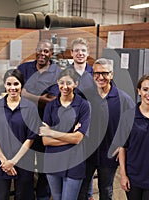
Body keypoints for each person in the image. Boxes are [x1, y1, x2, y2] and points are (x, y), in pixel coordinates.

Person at [78, 58, 135, 200]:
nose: (100, 77)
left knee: (106, 189)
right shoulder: (85, 95)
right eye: (97, 73)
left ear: (112, 74)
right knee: (82, 189)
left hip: (109, 155)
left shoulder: (124, 99)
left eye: (105, 73)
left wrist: (122, 146)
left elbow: (133, 126)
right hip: (87, 153)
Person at [17, 39, 61, 200]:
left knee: (44, 166)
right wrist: (40, 97)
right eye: (40, 50)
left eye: (46, 51)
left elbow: (52, 100)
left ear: (51, 54)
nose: (42, 54)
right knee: (25, 167)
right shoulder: (23, 68)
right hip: (24, 124)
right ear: (35, 50)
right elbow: (15, 91)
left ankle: (42, 196)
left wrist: (27, 94)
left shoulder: (57, 72)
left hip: (45, 126)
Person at [39, 67, 91, 200]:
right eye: (62, 83)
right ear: (57, 83)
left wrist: (51, 132)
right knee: (56, 198)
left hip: (74, 161)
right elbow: (45, 141)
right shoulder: (50, 106)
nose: (65, 87)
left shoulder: (84, 105)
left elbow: (78, 139)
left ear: (76, 84)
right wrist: (70, 137)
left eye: (69, 83)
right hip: (53, 160)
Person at [0, 69, 39, 200]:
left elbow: (30, 138)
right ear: (4, 85)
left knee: (23, 196)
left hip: (24, 161)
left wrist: (14, 161)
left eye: (16, 84)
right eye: (9, 84)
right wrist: (5, 162)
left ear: (21, 85)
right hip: (1, 162)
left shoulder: (30, 107)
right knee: (1, 196)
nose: (12, 88)